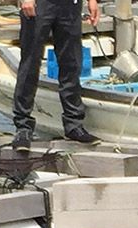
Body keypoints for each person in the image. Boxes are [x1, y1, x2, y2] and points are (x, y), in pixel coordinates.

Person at [12, 0, 101, 151]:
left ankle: (73, 125)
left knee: (71, 63)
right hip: (40, 4)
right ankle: (23, 127)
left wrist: (92, 1)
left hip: (70, 6)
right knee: (30, 63)